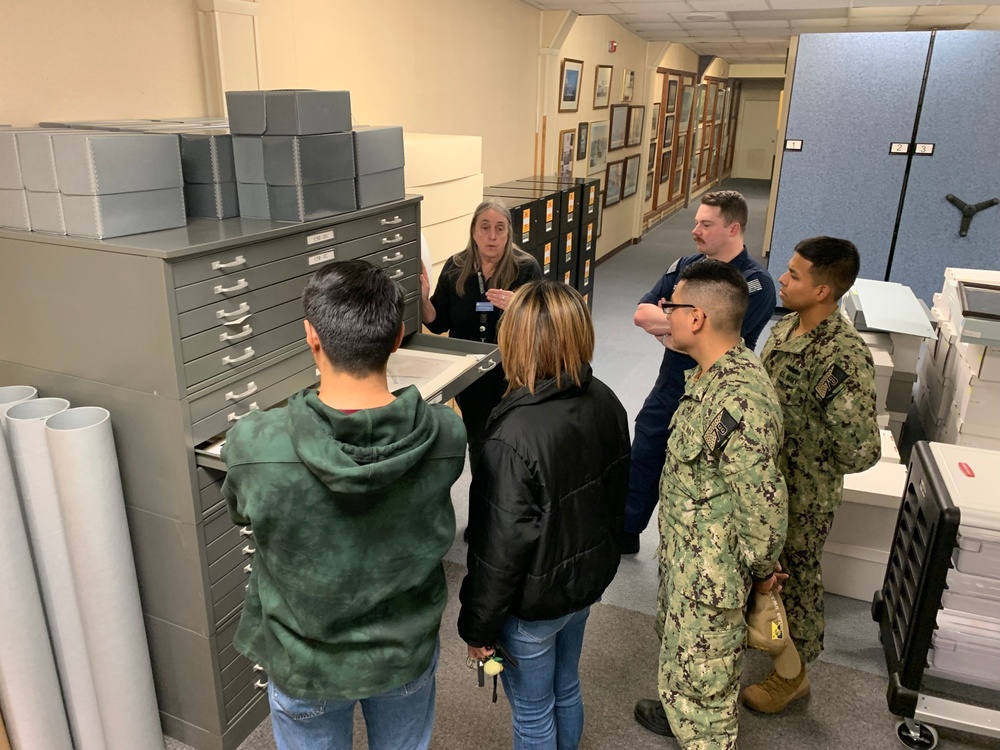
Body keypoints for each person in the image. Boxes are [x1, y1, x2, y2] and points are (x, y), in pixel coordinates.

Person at [222, 260, 467, 750]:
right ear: (398, 337)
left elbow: (242, 513)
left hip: (303, 658)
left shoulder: (253, 443)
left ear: (311, 337)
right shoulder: (445, 433)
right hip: (402, 652)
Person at [457, 280, 630, 750]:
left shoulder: (510, 438)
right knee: (566, 686)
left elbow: (498, 552)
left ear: (514, 341)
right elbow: (617, 497)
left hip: (532, 606)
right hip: (583, 585)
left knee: (533, 714)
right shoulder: (606, 400)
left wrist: (478, 628)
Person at [632, 260, 787, 750]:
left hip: (712, 574)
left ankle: (700, 730)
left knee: (709, 681)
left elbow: (763, 507)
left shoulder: (739, 397)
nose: (665, 313)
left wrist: (762, 573)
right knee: (684, 655)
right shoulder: (708, 376)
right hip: (689, 558)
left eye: (672, 306)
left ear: (696, 317)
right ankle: (679, 708)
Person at [742, 236, 880, 714]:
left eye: (795, 274)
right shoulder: (786, 330)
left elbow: (861, 449)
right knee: (761, 574)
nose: (781, 278)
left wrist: (811, 453)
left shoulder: (840, 356)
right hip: (766, 485)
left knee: (794, 584)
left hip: (803, 497)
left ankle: (792, 676)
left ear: (823, 290)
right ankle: (767, 641)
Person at [622, 190, 775, 554]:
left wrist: (674, 327)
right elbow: (642, 313)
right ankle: (625, 532)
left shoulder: (754, 284)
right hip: (671, 385)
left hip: (715, 396)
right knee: (643, 456)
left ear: (733, 228)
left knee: (698, 476)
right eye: (696, 222)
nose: (696, 230)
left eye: (706, 224)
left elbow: (708, 339)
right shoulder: (686, 265)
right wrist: (681, 327)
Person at [421, 199, 542, 478]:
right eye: (485, 227)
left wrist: (521, 307)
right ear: (473, 232)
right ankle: (483, 511)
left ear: (509, 234)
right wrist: (424, 300)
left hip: (512, 373)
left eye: (500, 229)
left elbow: (543, 324)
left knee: (511, 441)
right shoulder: (456, 266)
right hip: (470, 375)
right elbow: (439, 323)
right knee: (478, 442)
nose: (492, 236)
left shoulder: (526, 268)